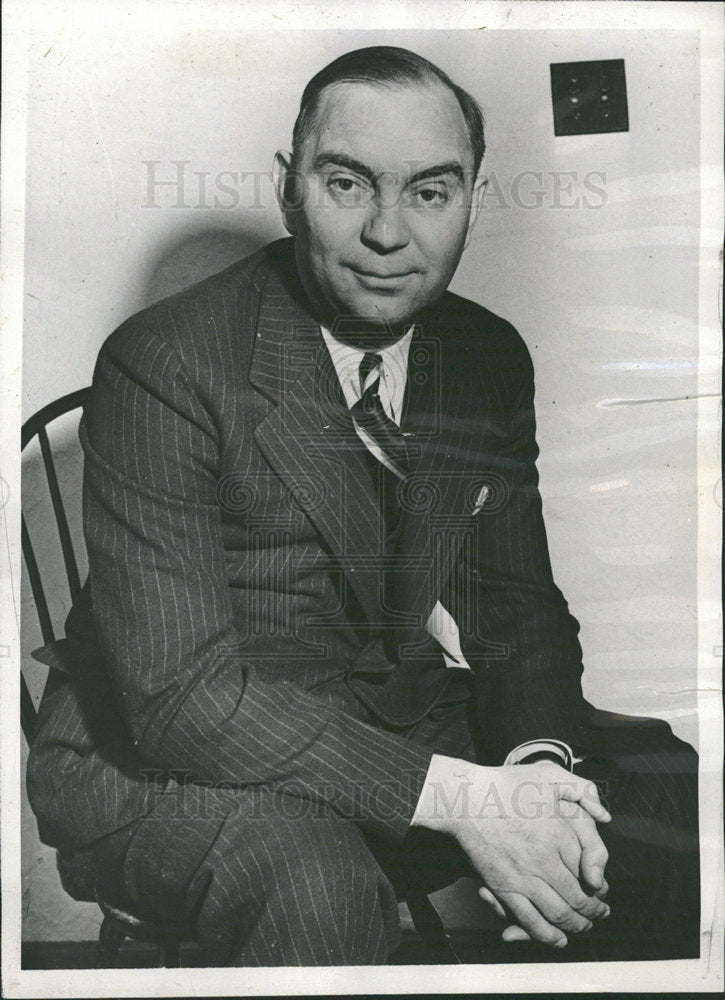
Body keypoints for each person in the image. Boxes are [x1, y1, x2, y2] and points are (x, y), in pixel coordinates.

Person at [27, 46, 699, 966]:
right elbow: (181, 698)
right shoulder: (164, 362)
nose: (390, 233)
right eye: (348, 184)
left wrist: (539, 771)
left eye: (430, 191)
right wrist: (465, 798)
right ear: (289, 189)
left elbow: (513, 608)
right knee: (316, 879)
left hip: (380, 716)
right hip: (158, 757)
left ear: (470, 196)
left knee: (665, 790)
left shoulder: (483, 355)